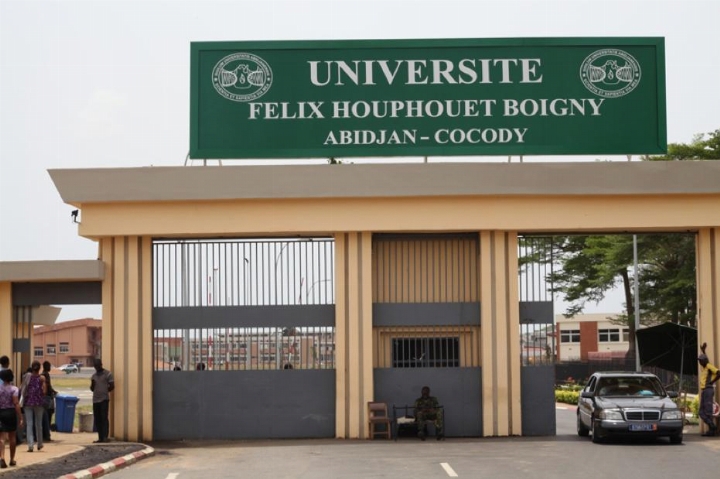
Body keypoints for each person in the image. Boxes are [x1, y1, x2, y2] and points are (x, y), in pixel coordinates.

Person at [21, 360, 47, 452]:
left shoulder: (27, 376)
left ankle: (30, 446)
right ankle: (39, 443)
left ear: (32, 368)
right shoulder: (42, 378)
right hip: (39, 403)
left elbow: (22, 388)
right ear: (39, 368)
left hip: (28, 402)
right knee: (39, 424)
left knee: (29, 424)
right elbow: (44, 391)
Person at [0, 369, 23, 468]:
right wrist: (20, 417)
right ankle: (12, 459)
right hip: (10, 413)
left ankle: (2, 457)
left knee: (1, 437)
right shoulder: (14, 389)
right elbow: (16, 403)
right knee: (12, 437)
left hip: (1, 412)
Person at [698, 342, 720, 436]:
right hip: (704, 390)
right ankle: (712, 426)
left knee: (707, 411)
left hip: (708, 390)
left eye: (700, 361)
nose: (699, 362)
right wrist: (703, 351)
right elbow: (706, 360)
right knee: (701, 412)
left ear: (704, 361)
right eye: (699, 360)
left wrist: (712, 382)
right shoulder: (705, 367)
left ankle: (712, 430)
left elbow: (719, 373)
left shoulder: (709, 366)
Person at [90, 358, 114, 443]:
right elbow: (92, 389)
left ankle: (105, 437)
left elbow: (112, 386)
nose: (97, 367)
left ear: (101, 364)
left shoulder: (108, 374)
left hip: (104, 399)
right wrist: (93, 384)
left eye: (98, 365)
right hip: (95, 400)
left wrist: (105, 391)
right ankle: (100, 437)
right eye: (95, 366)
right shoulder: (93, 376)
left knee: (104, 418)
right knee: (97, 419)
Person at [41, 361, 56, 441]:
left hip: (47, 397)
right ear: (46, 367)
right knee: (47, 416)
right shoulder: (45, 375)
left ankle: (46, 434)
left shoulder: (44, 374)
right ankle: (46, 435)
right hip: (46, 397)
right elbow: (47, 386)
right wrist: (52, 392)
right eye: (49, 366)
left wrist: (53, 391)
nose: (50, 368)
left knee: (47, 415)